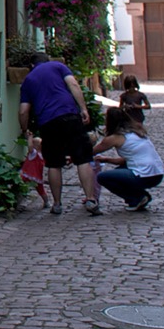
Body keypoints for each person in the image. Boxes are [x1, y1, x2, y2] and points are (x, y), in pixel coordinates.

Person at [19, 58, 101, 215]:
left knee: (54, 163)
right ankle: (91, 199)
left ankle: (57, 204)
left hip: (48, 122)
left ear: (31, 65)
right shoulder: (58, 66)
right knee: (83, 158)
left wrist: (25, 129)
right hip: (70, 114)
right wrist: (83, 108)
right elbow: (73, 85)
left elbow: (23, 111)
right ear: (47, 60)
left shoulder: (28, 80)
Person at [92, 107, 164, 211]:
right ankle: (139, 196)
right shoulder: (137, 133)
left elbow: (91, 151)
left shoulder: (115, 138)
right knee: (118, 171)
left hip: (144, 175)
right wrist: (106, 159)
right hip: (157, 173)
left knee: (103, 177)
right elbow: (126, 160)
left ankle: (137, 198)